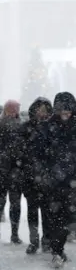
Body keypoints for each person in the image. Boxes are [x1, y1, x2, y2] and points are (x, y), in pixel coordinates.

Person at [42, 92, 76, 269]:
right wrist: (49, 172)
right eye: (61, 110)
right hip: (54, 180)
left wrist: (75, 167)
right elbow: (41, 151)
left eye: (68, 110)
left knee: (67, 215)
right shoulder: (49, 126)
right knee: (54, 215)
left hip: (73, 179)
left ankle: (58, 246)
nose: (65, 114)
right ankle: (57, 250)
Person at [17, 97, 53, 254]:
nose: (42, 112)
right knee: (32, 210)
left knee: (47, 211)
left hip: (47, 176)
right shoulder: (25, 128)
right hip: (29, 176)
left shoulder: (52, 127)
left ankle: (46, 240)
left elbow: (56, 151)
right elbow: (18, 150)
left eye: (45, 109)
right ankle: (33, 240)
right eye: (39, 109)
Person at [0, 100, 23, 244]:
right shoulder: (18, 125)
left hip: (7, 169)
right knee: (14, 203)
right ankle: (14, 234)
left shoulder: (4, 123)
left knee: (9, 203)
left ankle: (14, 234)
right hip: (12, 169)